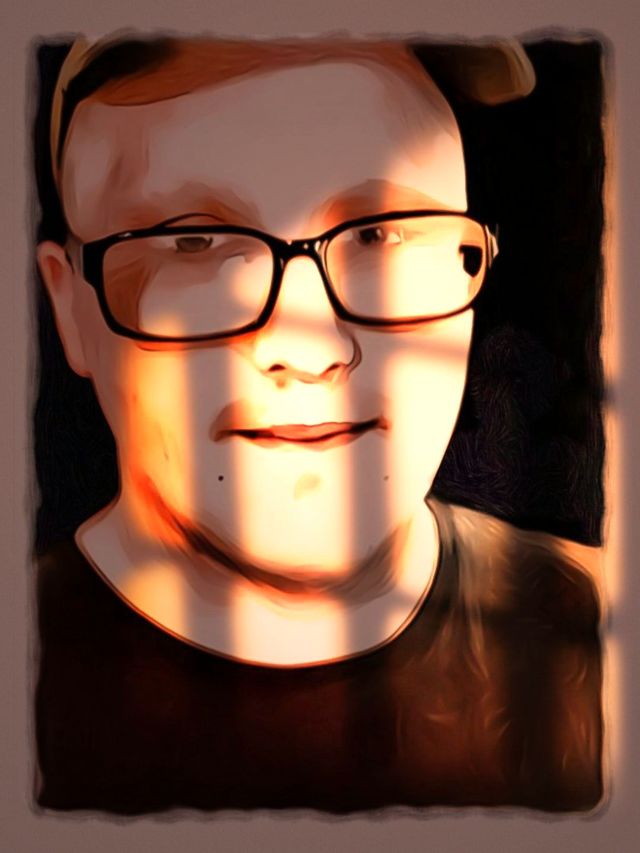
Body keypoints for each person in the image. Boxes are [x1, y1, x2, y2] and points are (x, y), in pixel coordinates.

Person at [34, 34, 603, 813]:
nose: (312, 349)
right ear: (69, 307)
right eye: (194, 243)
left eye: (381, 232)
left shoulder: (603, 639)